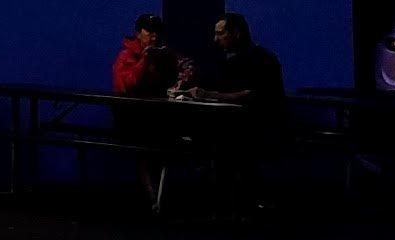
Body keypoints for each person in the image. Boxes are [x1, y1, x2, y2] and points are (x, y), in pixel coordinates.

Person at [182, 11, 286, 210]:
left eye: (220, 33)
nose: (216, 39)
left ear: (235, 33)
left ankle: (231, 199)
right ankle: (229, 200)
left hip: (259, 124)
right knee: (218, 139)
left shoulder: (260, 60)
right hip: (235, 124)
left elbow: (250, 95)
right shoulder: (226, 60)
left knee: (224, 143)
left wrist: (209, 95)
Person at [110, 12, 188, 204]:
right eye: (149, 32)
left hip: (156, 116)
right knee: (149, 141)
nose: (154, 36)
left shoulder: (164, 54)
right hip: (131, 117)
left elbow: (184, 68)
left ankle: (158, 194)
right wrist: (145, 61)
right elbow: (126, 85)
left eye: (157, 32)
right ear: (138, 33)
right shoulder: (126, 56)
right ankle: (151, 193)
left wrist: (181, 80)